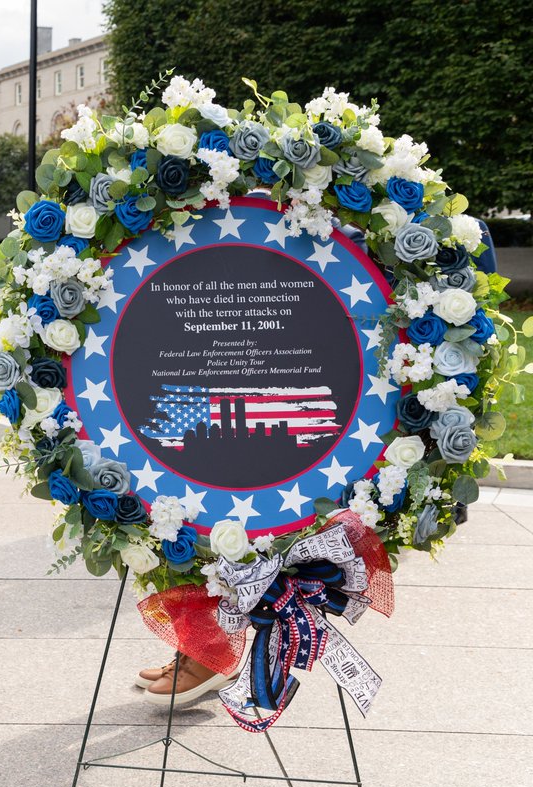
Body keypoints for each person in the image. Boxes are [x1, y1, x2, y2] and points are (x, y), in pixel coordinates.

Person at [131, 216, 498, 705]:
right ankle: (205, 645)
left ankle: (212, 650)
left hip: (327, 317)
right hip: (240, 272)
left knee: (243, 517)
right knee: (194, 511)